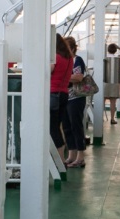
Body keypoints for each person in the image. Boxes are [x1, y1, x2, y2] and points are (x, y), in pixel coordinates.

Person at [62, 36, 87, 168]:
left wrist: (64, 76)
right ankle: (71, 154)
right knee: (67, 126)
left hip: (76, 97)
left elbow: (78, 77)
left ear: (72, 48)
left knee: (76, 125)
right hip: (65, 97)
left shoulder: (77, 60)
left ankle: (80, 156)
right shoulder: (64, 61)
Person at [50, 33, 74, 162]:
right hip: (64, 94)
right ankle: (60, 157)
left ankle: (60, 159)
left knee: (52, 127)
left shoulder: (56, 58)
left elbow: (46, 71)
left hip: (53, 94)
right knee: (57, 126)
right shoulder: (70, 59)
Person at [104, 43, 120, 125]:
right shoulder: (118, 58)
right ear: (115, 50)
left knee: (102, 101)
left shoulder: (104, 57)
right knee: (113, 102)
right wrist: (118, 47)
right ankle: (112, 119)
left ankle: (100, 118)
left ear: (108, 50)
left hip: (105, 81)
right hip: (115, 82)